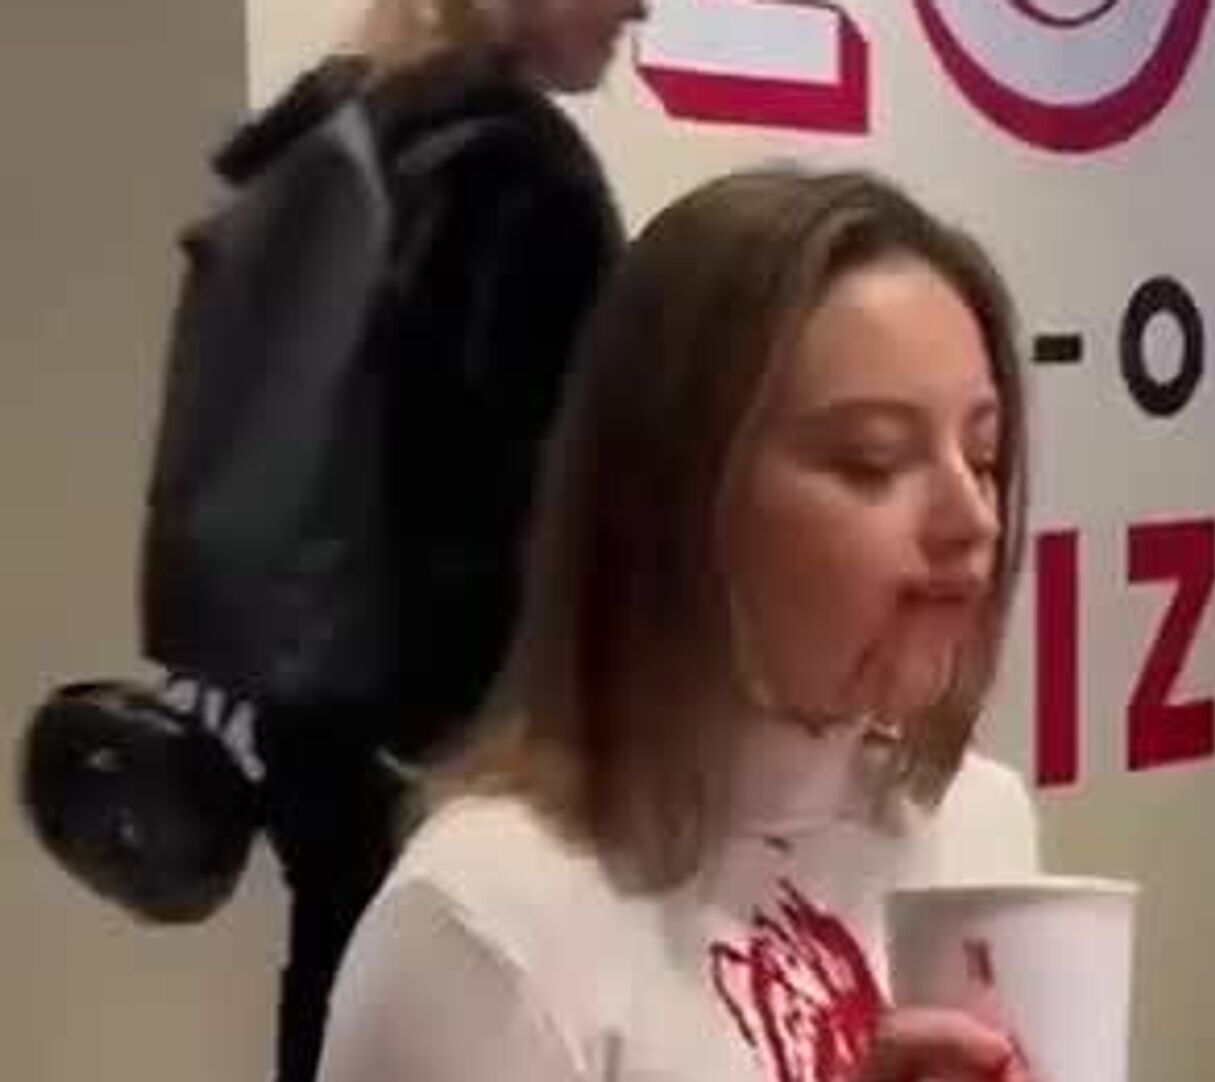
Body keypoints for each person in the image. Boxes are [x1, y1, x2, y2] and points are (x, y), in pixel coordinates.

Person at [315, 166, 1045, 1082]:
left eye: (983, 457)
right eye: (874, 461)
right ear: (675, 498)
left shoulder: (977, 823)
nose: (971, 519)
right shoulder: (484, 927)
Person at [235, 1, 640, 1078]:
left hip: (317, 706)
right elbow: (552, 498)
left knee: (339, 992)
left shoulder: (337, 126)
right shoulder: (519, 176)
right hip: (463, 738)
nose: (643, 7)